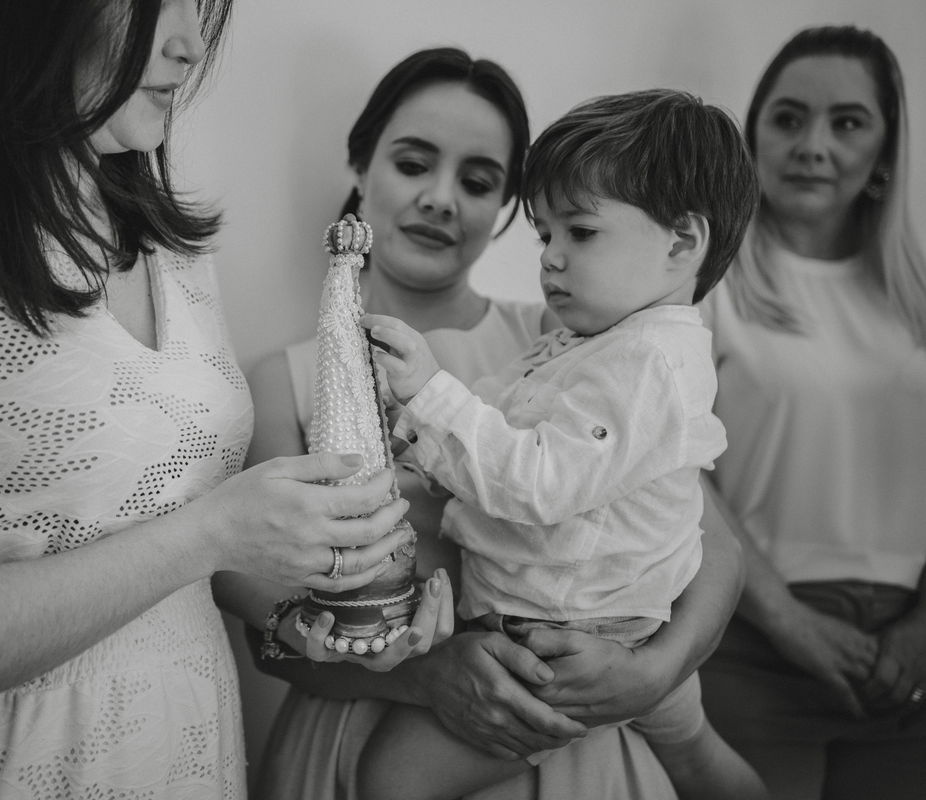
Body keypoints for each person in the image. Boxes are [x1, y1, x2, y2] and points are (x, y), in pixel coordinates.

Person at [0, 2, 419, 797]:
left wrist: (304, 620)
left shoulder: (162, 237)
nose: (192, 46)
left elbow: (181, 544)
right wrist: (216, 530)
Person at [228, 48, 747, 800]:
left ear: (508, 204)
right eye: (413, 163)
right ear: (360, 164)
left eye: (478, 181)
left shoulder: (584, 344)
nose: (442, 199)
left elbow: (710, 537)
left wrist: (652, 674)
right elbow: (263, 620)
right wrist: (424, 678)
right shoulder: (287, 379)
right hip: (366, 728)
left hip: (566, 726)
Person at [353, 89, 766, 800]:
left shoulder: (645, 365)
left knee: (393, 776)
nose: (552, 259)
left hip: (566, 639)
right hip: (566, 624)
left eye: (582, 232)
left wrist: (427, 394)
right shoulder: (588, 344)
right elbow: (502, 427)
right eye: (546, 235)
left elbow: (538, 483)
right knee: (698, 754)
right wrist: (421, 430)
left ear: (680, 241)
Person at [697, 25, 926, 800]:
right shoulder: (704, 285)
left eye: (848, 122)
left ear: (886, 150)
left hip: (906, 658)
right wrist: (788, 620)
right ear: (755, 135)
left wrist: (922, 631)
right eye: (789, 119)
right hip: (750, 637)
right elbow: (675, 470)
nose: (814, 145)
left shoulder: (919, 303)